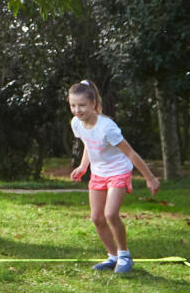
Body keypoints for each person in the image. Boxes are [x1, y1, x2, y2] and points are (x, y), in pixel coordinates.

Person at [66, 80, 160, 273]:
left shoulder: (107, 127)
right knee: (97, 218)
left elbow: (131, 153)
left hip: (118, 170)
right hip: (99, 172)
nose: (77, 110)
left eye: (82, 105)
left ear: (93, 104)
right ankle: (113, 257)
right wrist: (84, 166)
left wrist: (150, 178)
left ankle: (124, 255)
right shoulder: (77, 123)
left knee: (110, 214)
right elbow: (88, 144)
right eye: (73, 105)